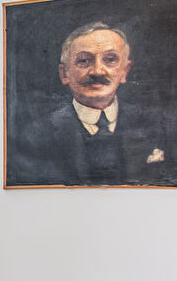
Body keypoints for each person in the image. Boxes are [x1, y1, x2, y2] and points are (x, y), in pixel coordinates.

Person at [11, 21, 170, 186]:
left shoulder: (158, 126)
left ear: (124, 71)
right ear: (64, 73)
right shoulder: (35, 136)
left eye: (110, 59)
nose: (97, 71)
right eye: (84, 61)